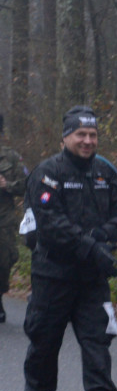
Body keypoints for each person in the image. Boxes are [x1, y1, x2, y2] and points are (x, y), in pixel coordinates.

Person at [23, 106, 117, 391]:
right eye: (81, 135)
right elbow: (50, 223)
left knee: (98, 343)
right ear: (66, 138)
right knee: (44, 343)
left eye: (93, 135)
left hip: (92, 278)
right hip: (52, 276)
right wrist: (89, 245)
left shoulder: (107, 172)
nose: (88, 141)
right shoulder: (47, 173)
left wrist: (103, 238)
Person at [0, 113, 29, 323]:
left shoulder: (10, 157)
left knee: (3, 261)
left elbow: (27, 185)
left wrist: (6, 185)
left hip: (3, 219)